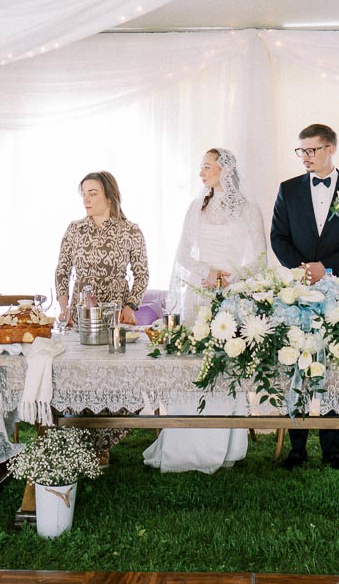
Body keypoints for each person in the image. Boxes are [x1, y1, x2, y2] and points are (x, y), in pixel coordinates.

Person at [145, 148, 263, 474]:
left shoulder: (249, 209)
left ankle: (225, 446)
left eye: (207, 167)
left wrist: (232, 277)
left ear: (224, 169)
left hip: (233, 298)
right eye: (201, 167)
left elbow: (260, 258)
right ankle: (185, 443)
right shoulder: (196, 207)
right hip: (199, 296)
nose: (201, 173)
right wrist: (207, 273)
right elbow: (183, 255)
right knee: (194, 366)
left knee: (225, 366)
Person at [270, 123, 339, 471]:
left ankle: (333, 449)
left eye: (312, 150)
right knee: (296, 360)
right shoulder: (288, 190)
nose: (305, 157)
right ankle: (297, 447)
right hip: (298, 291)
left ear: (330, 149)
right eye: (301, 151)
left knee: (337, 365)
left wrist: (326, 268)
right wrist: (303, 270)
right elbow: (278, 236)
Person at [54, 171, 149, 326]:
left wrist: (130, 306)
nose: (86, 200)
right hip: (80, 318)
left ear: (109, 196)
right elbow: (62, 272)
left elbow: (142, 275)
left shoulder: (130, 231)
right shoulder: (74, 229)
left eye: (92, 194)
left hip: (116, 317)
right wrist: (64, 309)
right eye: (84, 194)